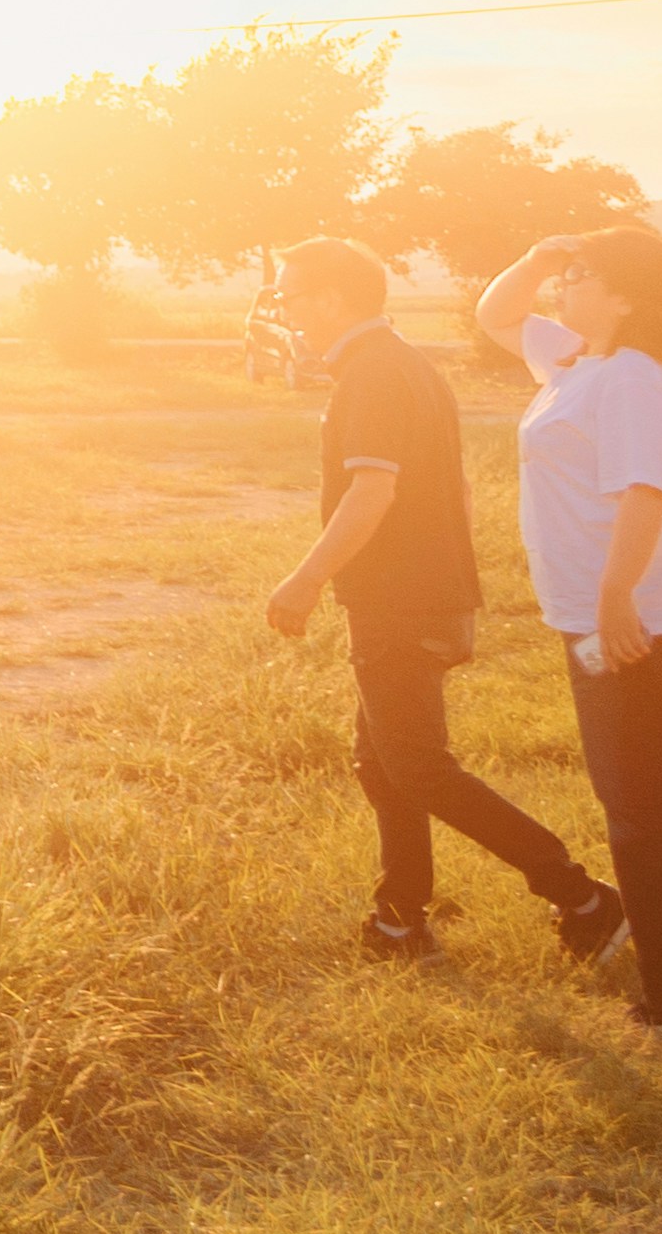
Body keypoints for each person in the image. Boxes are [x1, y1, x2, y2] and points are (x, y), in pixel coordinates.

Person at [253, 237, 621, 967]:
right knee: (382, 763)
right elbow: (457, 487)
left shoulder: (372, 375)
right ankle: (399, 921)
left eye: (288, 297)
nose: (284, 311)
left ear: (331, 299)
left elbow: (372, 491)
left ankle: (582, 897)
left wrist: (306, 578)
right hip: (426, 594)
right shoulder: (406, 364)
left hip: (399, 602)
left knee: (418, 767)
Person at [476, 224, 662, 1031]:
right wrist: (538, 257)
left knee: (642, 805)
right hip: (632, 612)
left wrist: (615, 599)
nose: (564, 285)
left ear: (626, 297)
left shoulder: (635, 377)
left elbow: (647, 492)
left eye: (580, 275)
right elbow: (496, 314)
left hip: (643, 618)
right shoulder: (581, 362)